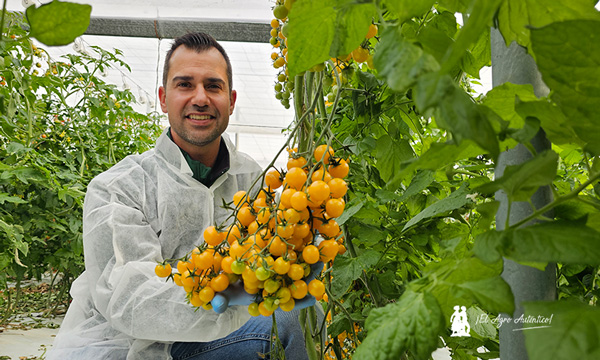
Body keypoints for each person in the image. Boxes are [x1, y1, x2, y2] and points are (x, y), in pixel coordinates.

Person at [47, 32, 318, 360]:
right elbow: (127, 298)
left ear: (231, 100)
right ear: (163, 98)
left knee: (310, 313)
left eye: (213, 86)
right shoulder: (119, 187)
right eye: (185, 84)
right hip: (134, 346)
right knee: (291, 320)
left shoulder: (256, 182)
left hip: (232, 334)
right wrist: (226, 295)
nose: (200, 98)